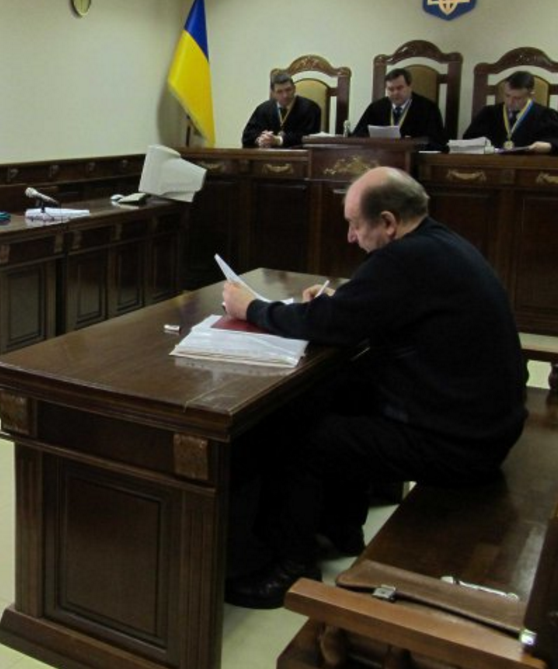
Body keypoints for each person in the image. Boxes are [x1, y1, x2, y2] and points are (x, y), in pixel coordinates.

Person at [221, 166, 526, 609]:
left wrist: (252, 307)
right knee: (345, 394)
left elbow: (333, 323)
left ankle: (290, 570)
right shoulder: (437, 243)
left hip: (460, 444)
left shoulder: (403, 260)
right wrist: (338, 307)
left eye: (354, 225)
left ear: (387, 222)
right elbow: (366, 311)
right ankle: (341, 529)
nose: (350, 237)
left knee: (301, 440)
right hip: (484, 423)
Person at [463, 70, 558, 153]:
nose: (510, 102)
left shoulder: (546, 115)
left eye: (517, 98)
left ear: (531, 95)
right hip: (492, 163)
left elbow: (555, 141)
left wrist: (549, 146)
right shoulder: (489, 113)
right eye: (507, 95)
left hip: (530, 165)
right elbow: (468, 141)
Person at [351, 67, 447, 149]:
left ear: (410, 87)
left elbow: (437, 141)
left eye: (400, 88)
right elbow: (357, 136)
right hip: (380, 157)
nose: (395, 93)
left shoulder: (428, 108)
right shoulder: (376, 108)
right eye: (391, 89)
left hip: (414, 159)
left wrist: (413, 143)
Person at [241, 72, 321, 148]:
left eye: (288, 90)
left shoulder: (310, 108)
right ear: (273, 93)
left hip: (299, 156)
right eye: (279, 92)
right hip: (268, 155)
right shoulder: (263, 109)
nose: (285, 95)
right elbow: (247, 136)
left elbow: (310, 137)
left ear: (294, 88)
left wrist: (279, 140)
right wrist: (260, 140)